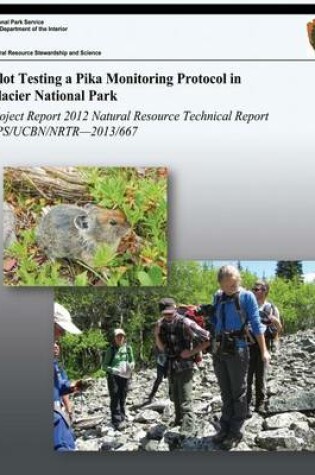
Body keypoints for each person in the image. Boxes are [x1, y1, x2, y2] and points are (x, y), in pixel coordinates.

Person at [210, 266, 270, 450]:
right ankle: (225, 426)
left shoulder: (247, 297)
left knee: (239, 391)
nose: (233, 287)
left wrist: (264, 350)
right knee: (225, 390)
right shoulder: (218, 296)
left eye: (236, 283)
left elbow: (256, 323)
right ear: (220, 283)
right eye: (229, 285)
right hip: (219, 348)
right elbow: (215, 322)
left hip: (238, 349)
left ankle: (236, 431)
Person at [155, 297, 210, 436]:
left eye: (170, 312)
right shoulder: (160, 325)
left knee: (186, 398)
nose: (168, 316)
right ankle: (179, 421)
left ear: (175, 309)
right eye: (165, 313)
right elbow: (162, 348)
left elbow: (208, 339)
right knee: (175, 397)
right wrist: (156, 335)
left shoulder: (186, 322)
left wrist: (191, 352)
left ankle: (188, 429)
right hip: (171, 365)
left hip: (186, 365)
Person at [247, 281, 282, 416]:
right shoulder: (248, 306)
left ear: (265, 291)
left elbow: (279, 329)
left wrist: (275, 321)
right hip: (248, 344)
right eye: (254, 289)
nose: (255, 291)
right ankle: (246, 405)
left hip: (265, 344)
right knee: (247, 377)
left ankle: (260, 404)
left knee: (261, 376)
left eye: (259, 289)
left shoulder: (271, 307)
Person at [54, 302, 83, 451]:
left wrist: (73, 387)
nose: (63, 334)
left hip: (58, 414)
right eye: (60, 329)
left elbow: (57, 385)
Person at [102, 328, 135, 431]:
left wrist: (132, 365)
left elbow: (132, 360)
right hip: (113, 376)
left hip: (125, 375)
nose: (120, 338)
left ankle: (122, 416)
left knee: (123, 395)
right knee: (115, 396)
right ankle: (116, 421)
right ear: (114, 338)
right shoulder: (110, 350)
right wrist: (112, 369)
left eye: (121, 336)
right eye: (118, 336)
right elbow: (104, 366)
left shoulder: (128, 348)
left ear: (124, 337)